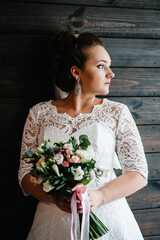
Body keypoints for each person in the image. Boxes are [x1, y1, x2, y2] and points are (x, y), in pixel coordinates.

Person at [18, 30, 148, 240]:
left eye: (109, 66)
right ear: (76, 72)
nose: (110, 73)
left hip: (108, 216)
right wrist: (54, 196)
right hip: (52, 219)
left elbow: (138, 173)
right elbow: (25, 173)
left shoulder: (117, 113)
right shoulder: (39, 113)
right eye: (101, 66)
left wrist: (100, 196)